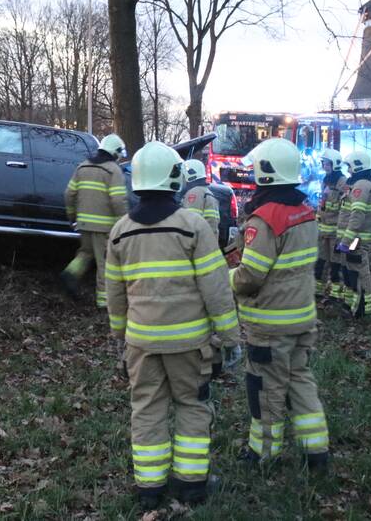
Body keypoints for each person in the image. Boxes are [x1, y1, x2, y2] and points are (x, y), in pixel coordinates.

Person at [105, 142, 240, 509]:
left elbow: (114, 293)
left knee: (146, 409)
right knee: (192, 407)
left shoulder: (120, 231)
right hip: (189, 345)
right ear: (175, 179)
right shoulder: (193, 226)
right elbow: (216, 287)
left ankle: (149, 489)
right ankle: (191, 485)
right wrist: (230, 337)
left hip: (141, 344)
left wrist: (119, 336)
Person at [229, 138, 330, 472]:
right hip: (302, 319)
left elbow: (250, 276)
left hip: (270, 325)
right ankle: (316, 451)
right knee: (301, 382)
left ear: (266, 172)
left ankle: (263, 453)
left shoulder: (266, 218)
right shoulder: (306, 212)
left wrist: (225, 280)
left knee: (265, 390)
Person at [61, 134, 128, 308]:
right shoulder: (113, 170)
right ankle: (104, 302)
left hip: (83, 223)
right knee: (104, 262)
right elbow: (118, 200)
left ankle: (70, 274)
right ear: (115, 152)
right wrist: (124, 223)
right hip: (104, 227)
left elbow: (69, 194)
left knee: (85, 253)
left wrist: (72, 217)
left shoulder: (82, 166)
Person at [337, 150, 371, 318]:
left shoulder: (362, 186)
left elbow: (357, 215)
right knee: (349, 270)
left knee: (358, 271)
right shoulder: (365, 184)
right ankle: (351, 303)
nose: (348, 170)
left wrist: (346, 241)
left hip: (356, 239)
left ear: (357, 166)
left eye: (349, 166)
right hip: (354, 238)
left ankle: (362, 308)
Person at [314, 148, 347, 300]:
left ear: (335, 164)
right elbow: (322, 205)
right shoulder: (326, 180)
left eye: (326, 163)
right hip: (322, 230)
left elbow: (343, 207)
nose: (324, 166)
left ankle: (335, 293)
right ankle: (317, 290)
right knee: (320, 262)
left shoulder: (343, 182)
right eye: (323, 163)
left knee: (335, 263)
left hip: (336, 231)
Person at [181, 159, 220, 243]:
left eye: (183, 176)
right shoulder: (207, 192)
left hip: (198, 244)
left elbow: (189, 224)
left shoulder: (194, 193)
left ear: (190, 175)